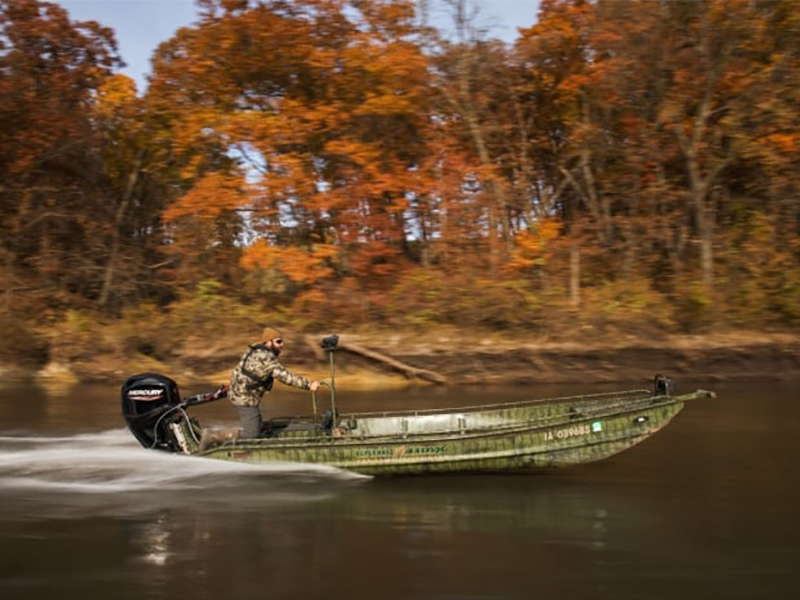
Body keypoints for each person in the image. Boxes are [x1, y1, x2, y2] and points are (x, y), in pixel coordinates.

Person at [228, 327, 320, 438]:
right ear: (268, 342)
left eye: (282, 341)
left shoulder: (255, 350)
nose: (282, 345)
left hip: (241, 393)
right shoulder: (265, 358)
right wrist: (309, 385)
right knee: (251, 434)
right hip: (244, 399)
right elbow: (285, 376)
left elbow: (239, 370)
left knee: (257, 426)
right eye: (278, 342)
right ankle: (213, 437)